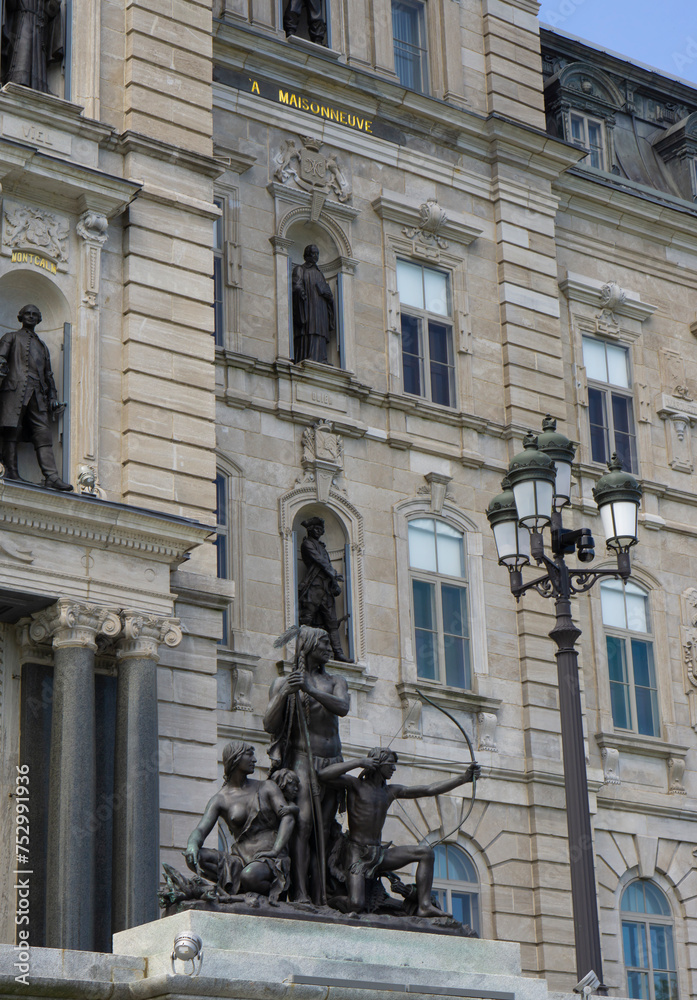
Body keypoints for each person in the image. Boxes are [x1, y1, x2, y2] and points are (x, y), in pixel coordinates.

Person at [318, 748, 481, 917]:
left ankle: (424, 905)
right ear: (377, 763)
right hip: (357, 853)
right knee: (355, 904)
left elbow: (428, 789)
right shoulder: (355, 785)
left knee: (425, 853)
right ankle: (327, 904)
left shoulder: (390, 791)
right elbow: (323, 775)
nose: (394, 769)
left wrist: (464, 778)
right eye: (390, 764)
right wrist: (359, 762)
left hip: (378, 854)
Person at [264, 625, 350, 903]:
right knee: (302, 825)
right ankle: (299, 893)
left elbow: (342, 707)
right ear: (309, 646)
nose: (329, 648)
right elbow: (269, 724)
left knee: (324, 830)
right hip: (303, 759)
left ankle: (319, 894)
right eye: (323, 643)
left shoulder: (336, 681)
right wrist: (284, 694)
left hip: (332, 760)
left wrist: (310, 690)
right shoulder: (283, 682)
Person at [184, 742, 299, 902]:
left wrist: (276, 850)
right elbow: (201, 830)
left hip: (270, 857)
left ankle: (260, 891)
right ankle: (242, 888)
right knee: (198, 858)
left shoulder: (267, 787)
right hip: (239, 860)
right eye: (249, 755)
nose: (255, 760)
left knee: (250, 876)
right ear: (235, 758)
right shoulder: (220, 799)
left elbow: (288, 817)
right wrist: (192, 845)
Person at [0, 304, 72, 490]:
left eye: (35, 315)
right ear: (20, 317)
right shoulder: (11, 337)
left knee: (43, 433)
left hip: (37, 394)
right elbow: (1, 358)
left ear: (39, 319)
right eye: (27, 314)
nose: (31, 317)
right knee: (11, 429)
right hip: (14, 390)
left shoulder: (42, 346)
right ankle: (11, 470)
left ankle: (51, 476)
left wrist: (53, 397)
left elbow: (49, 375)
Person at [298, 516, 350, 662]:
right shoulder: (307, 544)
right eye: (316, 528)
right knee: (307, 619)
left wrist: (333, 582)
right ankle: (302, 649)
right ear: (310, 530)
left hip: (325, 589)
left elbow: (325, 563)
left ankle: (338, 652)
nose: (319, 531)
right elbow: (319, 561)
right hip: (313, 587)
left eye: (321, 529)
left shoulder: (322, 548)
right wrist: (333, 573)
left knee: (332, 622)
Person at [1, 0, 64, 92]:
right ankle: (19, 79)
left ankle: (39, 85)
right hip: (24, 20)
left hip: (39, 24)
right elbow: (11, 5)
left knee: (38, 56)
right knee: (23, 53)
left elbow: (51, 11)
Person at [291, 245, 335, 364]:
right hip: (308, 305)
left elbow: (328, 291)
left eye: (317, 254)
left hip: (320, 307)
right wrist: (301, 293)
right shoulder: (300, 269)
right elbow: (296, 284)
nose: (315, 256)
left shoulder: (320, 273)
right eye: (313, 253)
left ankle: (322, 357)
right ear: (307, 255)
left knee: (320, 330)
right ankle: (308, 354)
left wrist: (328, 296)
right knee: (309, 329)